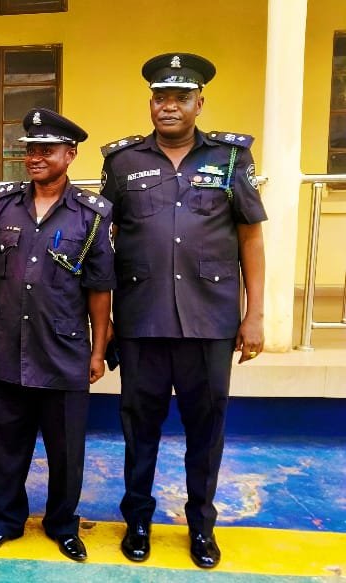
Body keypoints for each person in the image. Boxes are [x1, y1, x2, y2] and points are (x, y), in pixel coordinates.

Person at [100, 53, 266, 569]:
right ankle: (138, 521)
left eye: (181, 98)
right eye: (160, 97)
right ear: (151, 103)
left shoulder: (231, 158)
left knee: (206, 431)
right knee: (139, 430)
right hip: (142, 319)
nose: (169, 106)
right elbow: (105, 238)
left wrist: (255, 314)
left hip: (209, 320)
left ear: (200, 103)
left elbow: (250, 237)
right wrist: (103, 321)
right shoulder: (122, 162)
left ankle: (201, 525)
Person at [0, 108, 114, 562]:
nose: (35, 157)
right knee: (3, 446)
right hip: (7, 346)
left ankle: (63, 525)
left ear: (70, 155)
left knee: (66, 450)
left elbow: (99, 289)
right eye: (30, 149)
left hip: (64, 349)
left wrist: (98, 350)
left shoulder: (92, 214)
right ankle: (3, 521)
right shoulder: (2, 205)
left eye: (47, 150)